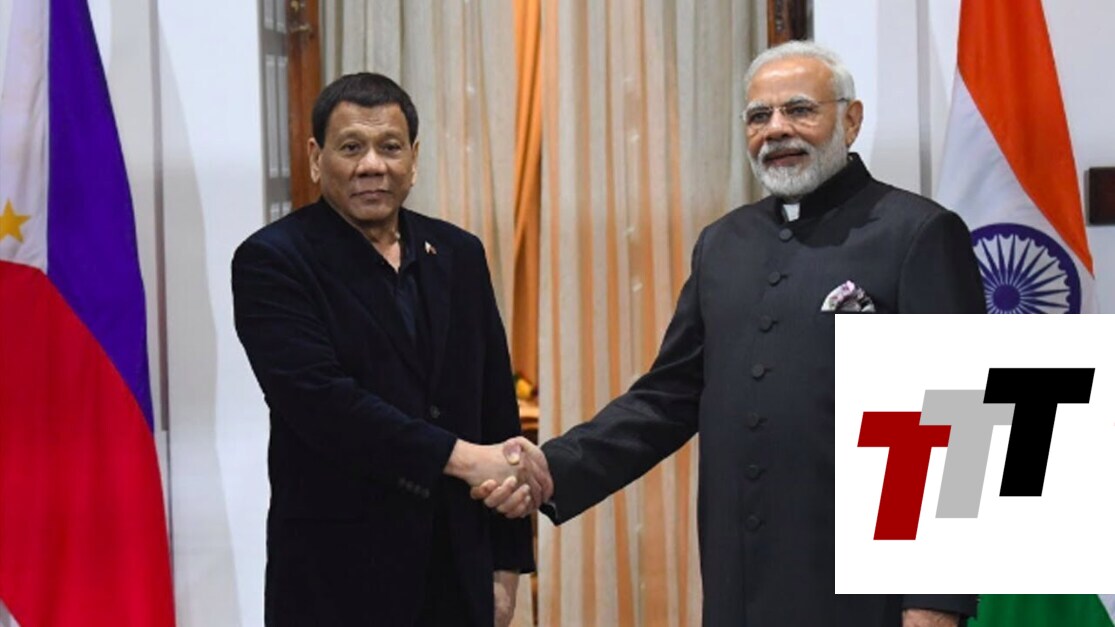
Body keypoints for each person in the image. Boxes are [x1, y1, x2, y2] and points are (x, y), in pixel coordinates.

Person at [475, 41, 985, 626]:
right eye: (758, 116)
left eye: (800, 109)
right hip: (739, 585)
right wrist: (551, 468)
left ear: (851, 120)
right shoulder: (722, 243)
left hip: (867, 595)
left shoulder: (919, 233)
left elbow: (960, 423)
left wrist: (936, 601)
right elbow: (666, 398)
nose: (777, 129)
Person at [232, 72, 542, 627]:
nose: (372, 165)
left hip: (458, 576)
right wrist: (464, 459)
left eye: (390, 147)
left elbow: (496, 408)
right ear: (316, 158)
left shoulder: (459, 253)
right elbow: (324, 404)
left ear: (413, 159)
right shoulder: (273, 261)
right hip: (337, 584)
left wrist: (506, 567)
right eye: (352, 147)